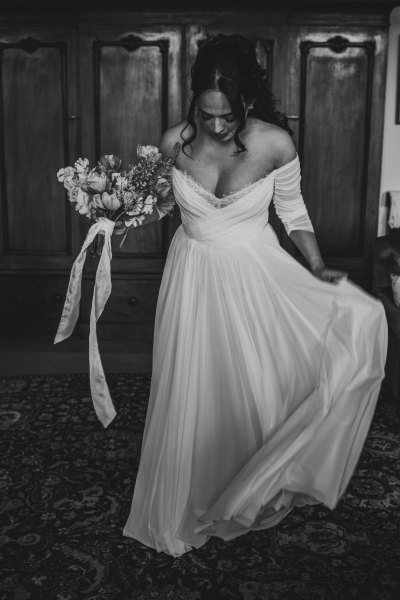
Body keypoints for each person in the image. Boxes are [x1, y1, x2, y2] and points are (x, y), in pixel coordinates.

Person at [119, 34, 388, 557]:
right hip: (193, 272)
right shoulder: (173, 140)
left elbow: (293, 212)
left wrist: (315, 266)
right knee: (197, 381)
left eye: (229, 114)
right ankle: (193, 490)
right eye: (208, 113)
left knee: (259, 381)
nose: (218, 126)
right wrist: (116, 211)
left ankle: (255, 480)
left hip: (254, 272)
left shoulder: (274, 143)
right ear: (194, 100)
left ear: (247, 100)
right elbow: (154, 207)